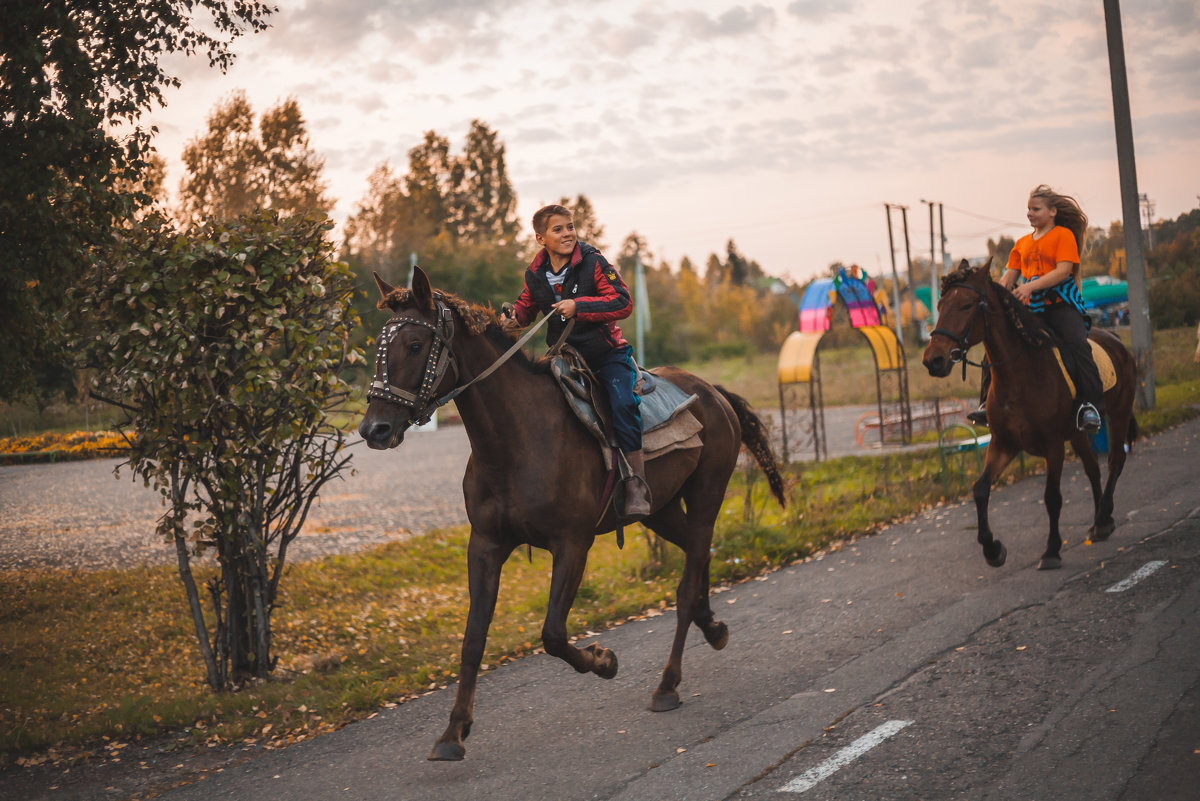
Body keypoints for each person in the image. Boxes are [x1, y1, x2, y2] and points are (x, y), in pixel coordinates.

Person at [499, 204, 651, 520]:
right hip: (563, 355)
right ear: (541, 238)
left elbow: (622, 301)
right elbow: (526, 308)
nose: (568, 233)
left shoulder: (594, 262)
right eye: (559, 229)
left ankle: (636, 483)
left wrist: (578, 305)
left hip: (607, 355)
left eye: (570, 227)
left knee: (623, 404)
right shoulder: (535, 273)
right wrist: (512, 317)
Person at [967, 185, 1104, 432]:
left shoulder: (1063, 235)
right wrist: (996, 295)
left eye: (1035, 209)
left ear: (1052, 211)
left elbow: (1064, 271)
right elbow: (1009, 277)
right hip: (1029, 309)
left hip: (1059, 304)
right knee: (995, 346)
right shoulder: (1021, 243)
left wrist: (1030, 287)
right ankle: (986, 403)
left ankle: (1089, 406)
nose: (1029, 213)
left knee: (1078, 345)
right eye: (1028, 209)